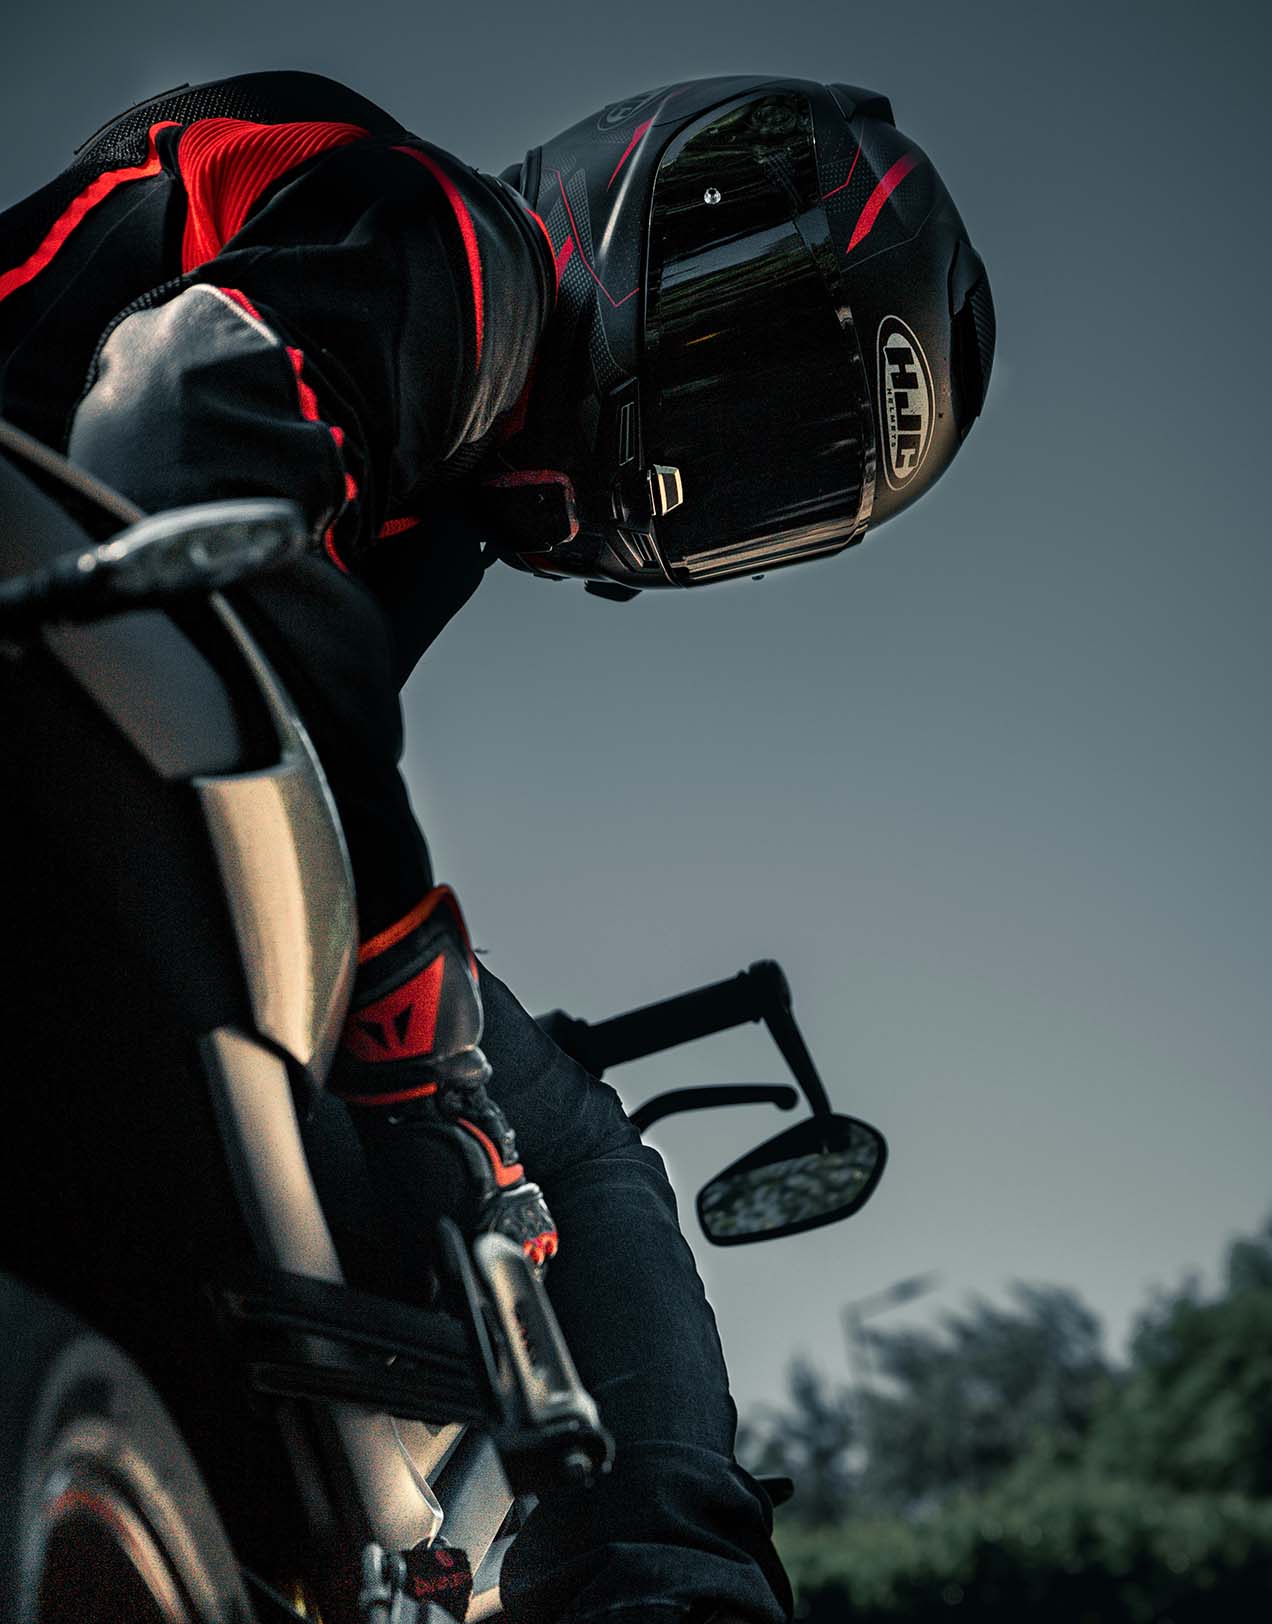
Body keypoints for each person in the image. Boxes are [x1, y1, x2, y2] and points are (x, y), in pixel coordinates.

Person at [0, 69, 994, 1624]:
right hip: (66, 688)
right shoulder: (459, 246)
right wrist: (415, 1003)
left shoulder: (443, 487)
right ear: (643, 215)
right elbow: (189, 418)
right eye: (729, 389)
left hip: (85, 731)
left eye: (763, 481)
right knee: (581, 1159)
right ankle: (665, 1594)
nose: (692, 477)